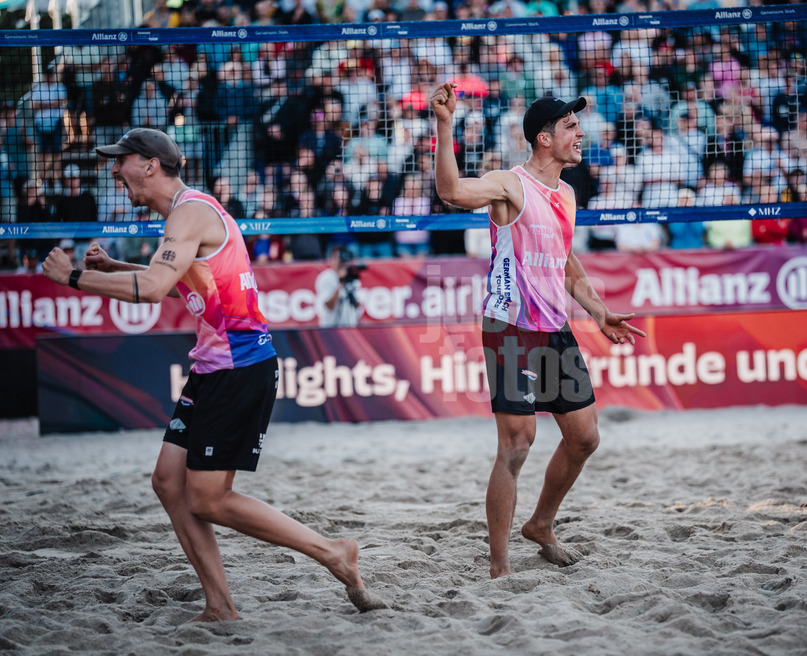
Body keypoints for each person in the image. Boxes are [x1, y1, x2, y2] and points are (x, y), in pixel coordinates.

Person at [40, 127, 385, 619]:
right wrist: (114, 266)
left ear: (150, 165)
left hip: (240, 367)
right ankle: (220, 605)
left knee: (207, 498)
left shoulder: (190, 212)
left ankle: (332, 551)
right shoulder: (188, 212)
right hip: (215, 366)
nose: (115, 171)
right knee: (167, 481)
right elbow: (187, 283)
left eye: (122, 161)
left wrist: (73, 277)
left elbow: (157, 287)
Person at [431, 84, 646, 578]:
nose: (580, 133)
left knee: (585, 438)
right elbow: (450, 192)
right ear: (544, 139)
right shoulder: (510, 184)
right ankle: (499, 565)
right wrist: (445, 125)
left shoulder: (567, 193)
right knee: (517, 444)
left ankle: (541, 524)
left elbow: (567, 263)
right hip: (509, 326)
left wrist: (597, 310)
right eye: (571, 126)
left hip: (553, 326)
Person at [316, 246, 363, 327]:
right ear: (331, 259)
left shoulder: (352, 277)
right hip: (331, 328)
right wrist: (340, 284)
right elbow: (328, 306)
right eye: (338, 258)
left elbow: (358, 306)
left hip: (350, 328)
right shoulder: (326, 277)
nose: (341, 261)